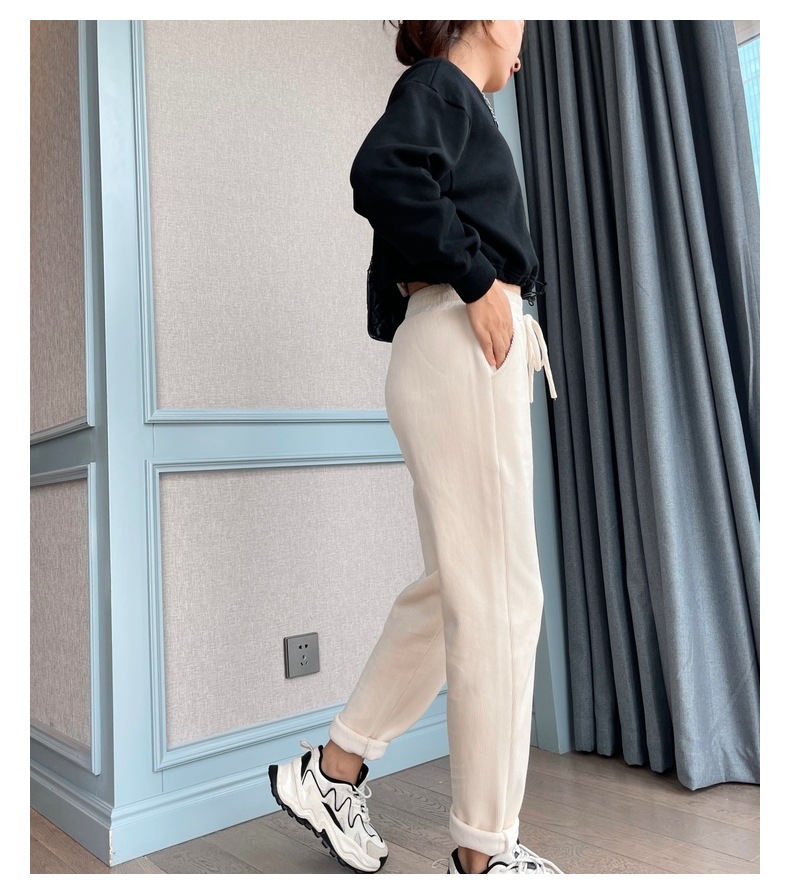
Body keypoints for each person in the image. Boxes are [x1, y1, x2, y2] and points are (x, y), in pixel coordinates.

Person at [268, 20, 560, 875]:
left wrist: (474, 285)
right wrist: (479, 279)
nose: (528, 34)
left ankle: (334, 771)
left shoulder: (454, 100)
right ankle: (486, 855)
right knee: (503, 602)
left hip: (449, 346)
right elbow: (382, 172)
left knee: (459, 590)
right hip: (462, 343)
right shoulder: (441, 87)